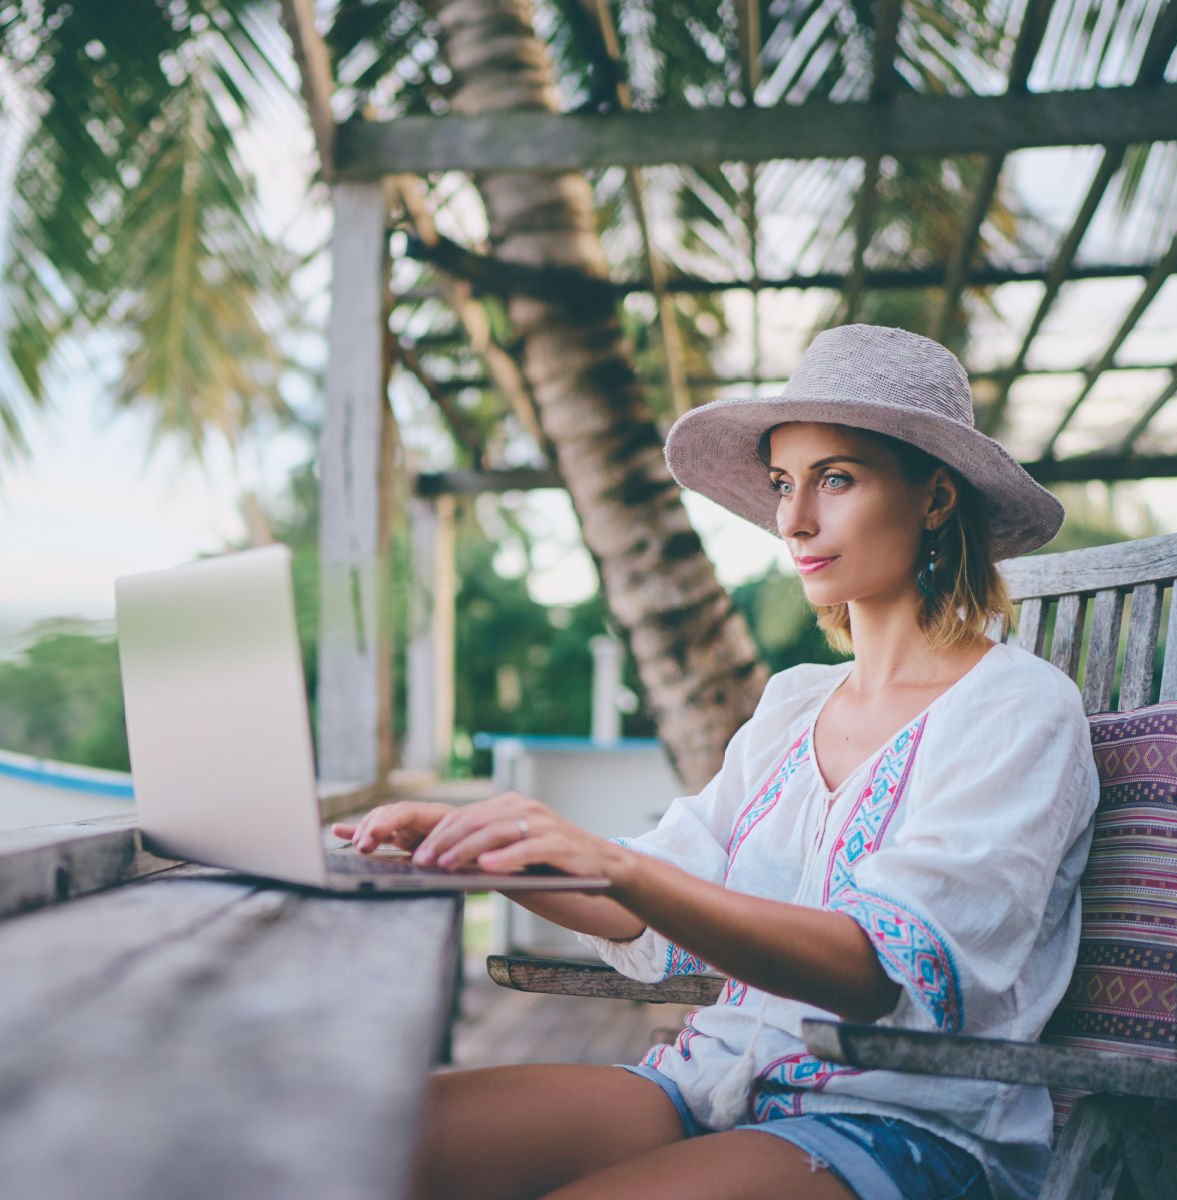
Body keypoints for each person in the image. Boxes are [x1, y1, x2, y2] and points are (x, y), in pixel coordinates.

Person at [334, 324, 1100, 1200]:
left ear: (934, 497)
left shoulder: (1020, 710)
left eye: (835, 478)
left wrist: (614, 865)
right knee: (359, 1139)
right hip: (712, 1083)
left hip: (905, 1125)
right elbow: (653, 902)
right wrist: (477, 847)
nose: (793, 518)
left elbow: (871, 970)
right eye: (783, 484)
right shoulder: (794, 704)